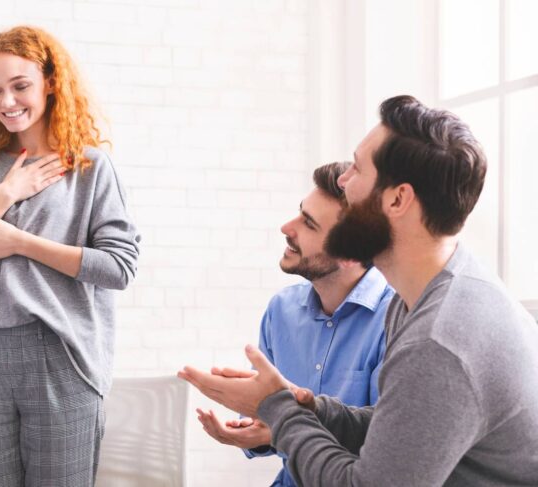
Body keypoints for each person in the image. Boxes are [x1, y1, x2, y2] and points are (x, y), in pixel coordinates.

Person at [180, 95, 538, 486]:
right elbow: (403, 431)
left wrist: (278, 408)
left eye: (356, 168)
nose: (343, 181)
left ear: (397, 199)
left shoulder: (440, 339)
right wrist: (311, 407)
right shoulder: (435, 291)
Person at [0, 25, 141, 486]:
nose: (7, 102)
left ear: (50, 83)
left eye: (20, 86)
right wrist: (1, 198)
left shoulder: (90, 169)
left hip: (60, 352)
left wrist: (19, 243)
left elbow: (119, 267)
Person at [195, 162, 393, 487]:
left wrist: (281, 424)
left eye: (308, 224)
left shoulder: (396, 319)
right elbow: (263, 418)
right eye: (299, 212)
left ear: (350, 253)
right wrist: (256, 433)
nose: (287, 227)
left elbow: (381, 444)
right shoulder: (282, 309)